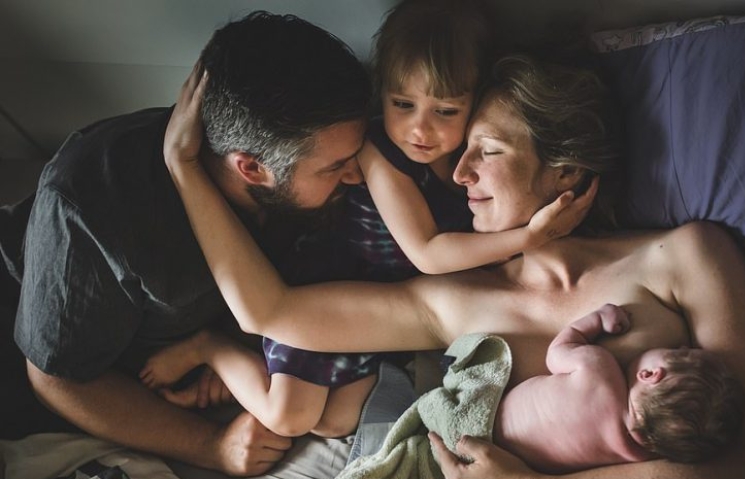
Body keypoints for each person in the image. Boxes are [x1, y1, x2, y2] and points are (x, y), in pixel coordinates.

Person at [164, 51, 745, 479]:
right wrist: (186, 170)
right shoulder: (455, 299)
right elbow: (268, 311)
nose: (459, 173)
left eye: (486, 151)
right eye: (461, 151)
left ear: (566, 169)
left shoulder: (686, 257)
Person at [139, 0, 592, 441]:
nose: (420, 129)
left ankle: (244, 371)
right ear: (382, 95)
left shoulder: (465, 161)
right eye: (402, 104)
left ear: (473, 103)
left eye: (446, 112)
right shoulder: (382, 151)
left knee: (335, 421)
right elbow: (427, 252)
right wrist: (528, 236)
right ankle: (210, 348)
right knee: (290, 416)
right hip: (328, 278)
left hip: (382, 297)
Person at [2, 11, 372, 477]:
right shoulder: (93, 206)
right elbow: (55, 379)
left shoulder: (298, 174)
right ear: (251, 169)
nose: (356, 176)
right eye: (334, 167)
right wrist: (210, 446)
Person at [494, 302, 745, 474]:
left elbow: (558, 352)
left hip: (492, 416)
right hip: (511, 464)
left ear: (649, 375)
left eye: (679, 350)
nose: (680, 345)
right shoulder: (638, 455)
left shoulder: (600, 370)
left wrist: (598, 318)